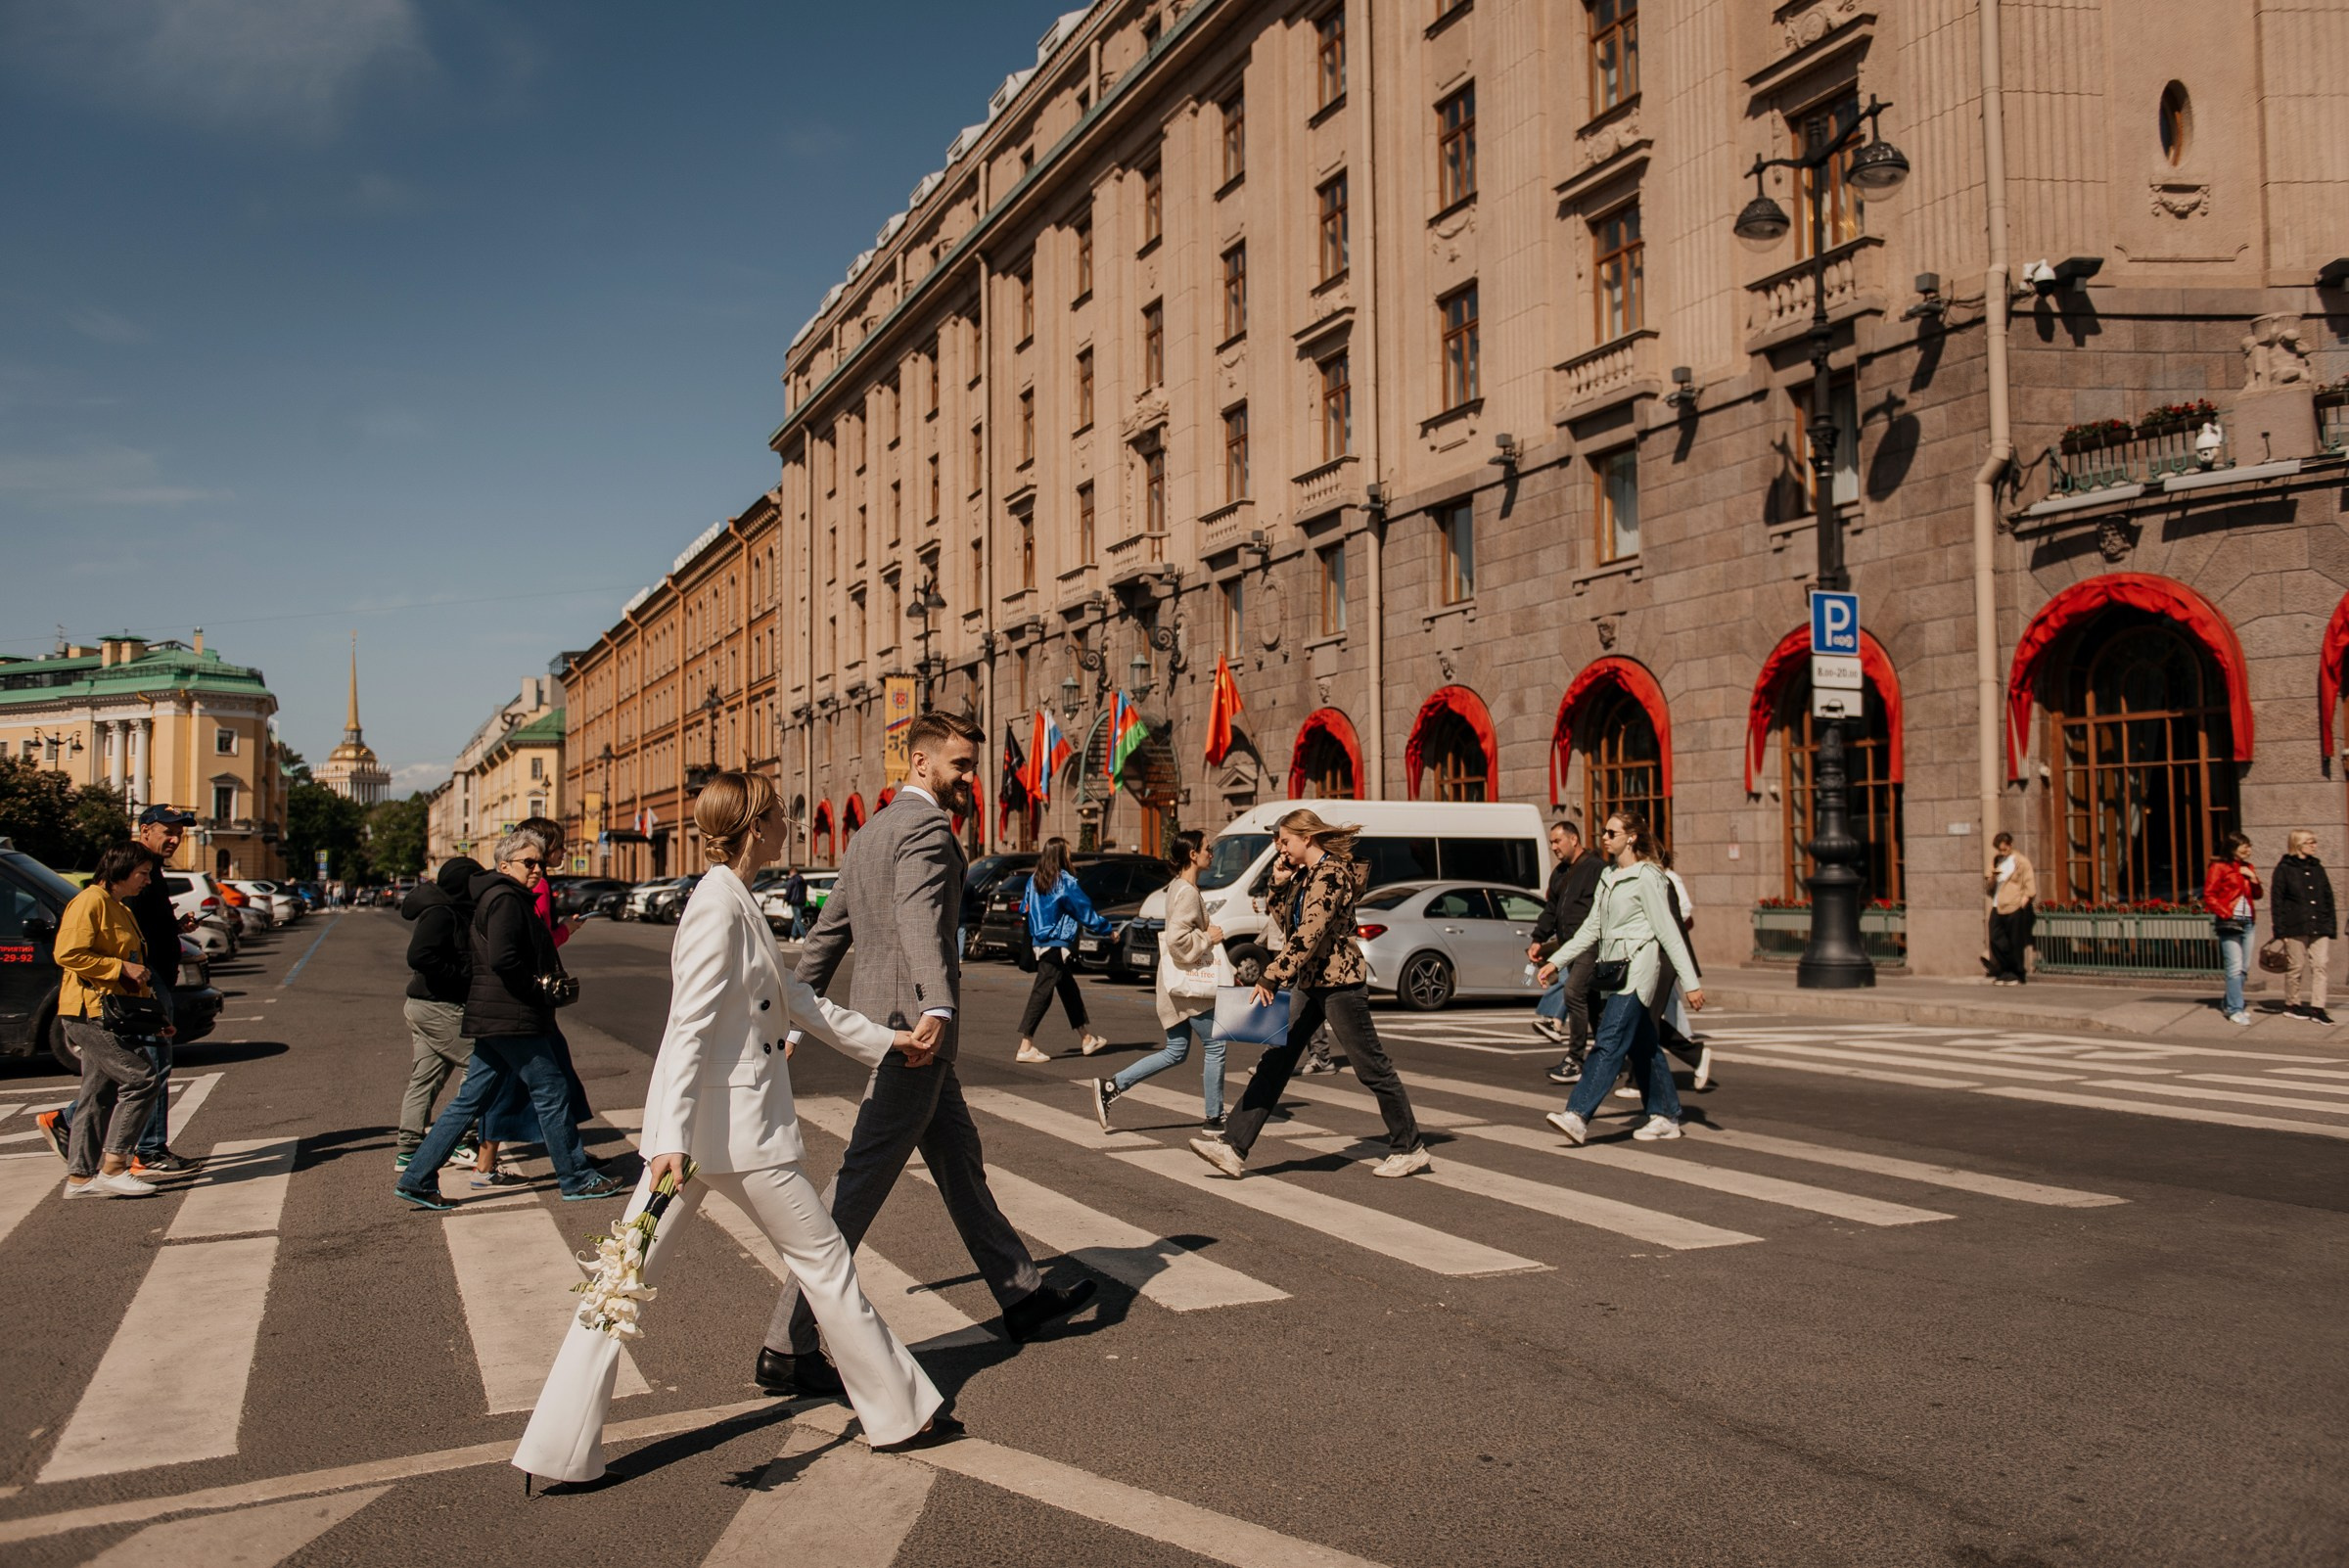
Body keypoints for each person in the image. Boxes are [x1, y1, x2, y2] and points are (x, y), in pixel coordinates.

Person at [513, 772, 947, 1485]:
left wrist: (887, 1041)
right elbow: (685, 1029)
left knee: (621, 1277)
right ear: (755, 828)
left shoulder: (731, 898)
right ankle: (900, 1413)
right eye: (779, 814)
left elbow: (795, 998)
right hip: (734, 1135)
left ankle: (556, 1448)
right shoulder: (718, 907)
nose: (789, 824)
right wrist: (668, 1142)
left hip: (706, 1134)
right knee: (825, 1268)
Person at [757, 712, 1094, 1395]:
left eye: (973, 765)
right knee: (856, 1186)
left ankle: (1022, 1295)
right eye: (960, 766)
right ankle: (786, 1344)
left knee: (960, 1164)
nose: (971, 779)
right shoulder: (926, 830)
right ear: (919, 764)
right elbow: (917, 921)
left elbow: (827, 934)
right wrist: (937, 1005)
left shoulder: (871, 831)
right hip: (914, 1037)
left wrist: (795, 1017)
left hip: (896, 1029)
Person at [1189, 808, 1432, 1180]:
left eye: (1285, 840)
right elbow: (1286, 922)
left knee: (1372, 1068)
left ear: (1307, 838)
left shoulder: (1332, 874)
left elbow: (1309, 934)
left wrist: (1271, 976)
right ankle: (1233, 1147)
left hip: (1340, 984)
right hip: (1310, 981)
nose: (1281, 848)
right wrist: (1279, 884)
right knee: (1276, 1061)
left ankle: (1410, 1146)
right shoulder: (1307, 876)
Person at [394, 830, 624, 1209]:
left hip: (495, 1013)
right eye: (528, 863)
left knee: (470, 1100)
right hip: (512, 1014)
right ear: (504, 866)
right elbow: (504, 960)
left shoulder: (502, 894)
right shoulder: (505, 899)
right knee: (551, 1091)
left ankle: (417, 1177)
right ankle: (576, 1177)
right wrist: (537, 990)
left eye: (539, 862)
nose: (537, 869)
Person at [1538, 810, 1706, 1145]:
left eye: (1611, 832)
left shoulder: (1649, 877)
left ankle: (1578, 1115)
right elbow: (1592, 928)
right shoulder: (1609, 876)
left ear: (1631, 837)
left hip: (1638, 971)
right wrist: (1556, 960)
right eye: (1603, 832)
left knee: (1609, 1040)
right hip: (1612, 970)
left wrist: (1691, 982)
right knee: (1644, 1045)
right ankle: (1667, 1114)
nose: (1604, 837)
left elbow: (1668, 931)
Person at [54, 843, 169, 1198]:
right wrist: (119, 967)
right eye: (142, 874)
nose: (147, 881)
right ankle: (115, 1165)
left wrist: (155, 1018)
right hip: (87, 1012)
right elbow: (68, 953)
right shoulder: (90, 902)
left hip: (108, 1012)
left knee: (96, 1095)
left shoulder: (119, 907)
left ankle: (79, 1178)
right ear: (121, 870)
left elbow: (136, 966)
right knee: (141, 1078)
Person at [1092, 830, 1226, 1131]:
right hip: (1190, 988)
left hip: (1175, 985)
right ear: (1192, 854)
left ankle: (1112, 1087)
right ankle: (1214, 1118)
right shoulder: (1188, 892)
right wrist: (1208, 937)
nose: (1211, 854)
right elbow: (1179, 941)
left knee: (1176, 1051)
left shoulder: (1177, 887)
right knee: (1216, 1046)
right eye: (1207, 849)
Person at [394, 857, 484, 1173]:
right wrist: (460, 975)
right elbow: (419, 955)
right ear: (463, 884)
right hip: (438, 1006)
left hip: (424, 1004)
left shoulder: (449, 909)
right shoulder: (442, 913)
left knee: (426, 1078)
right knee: (483, 1070)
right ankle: (461, 1140)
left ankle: (408, 1148)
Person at [1013, 837, 1113, 1065]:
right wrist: (1108, 930)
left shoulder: (1034, 880)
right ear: (1060, 855)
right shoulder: (1065, 882)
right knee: (1042, 994)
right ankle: (1025, 1045)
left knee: (1069, 991)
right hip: (1058, 943)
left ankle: (1086, 1038)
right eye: (1068, 852)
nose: (1070, 856)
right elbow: (1084, 911)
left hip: (1041, 943)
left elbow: (1023, 908)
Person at [1529, 820, 1604, 1085]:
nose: (1553, 847)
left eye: (1557, 841)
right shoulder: (1560, 873)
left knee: (1572, 992)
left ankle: (1576, 1060)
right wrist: (1539, 938)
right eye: (1551, 842)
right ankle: (1610, 1057)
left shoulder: (1596, 869)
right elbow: (1551, 908)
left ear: (1573, 839)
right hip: (1568, 947)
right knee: (1593, 1003)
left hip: (1590, 945)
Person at [2270, 830, 2335, 1025]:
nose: (2314, 845)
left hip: (2319, 926)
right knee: (2296, 967)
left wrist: (2329, 925)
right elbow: (2277, 901)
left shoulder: (2317, 867)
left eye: (2315, 841)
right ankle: (2292, 1004)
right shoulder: (2284, 868)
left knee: (2320, 966)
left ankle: (2318, 1008)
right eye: (2310, 842)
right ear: (2298, 845)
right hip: (2295, 926)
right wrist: (2280, 931)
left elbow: (2327, 897)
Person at [2203, 831, 2262, 1027]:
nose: (2248, 849)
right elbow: (2209, 895)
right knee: (2234, 968)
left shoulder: (2248, 867)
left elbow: (2258, 894)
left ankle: (2229, 1002)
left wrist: (2253, 878)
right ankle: (2236, 1008)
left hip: (2248, 921)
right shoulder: (2219, 867)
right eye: (2243, 846)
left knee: (2244, 968)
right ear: (2232, 848)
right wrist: (2226, 913)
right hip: (2230, 922)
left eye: (2249, 846)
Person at [1986, 832, 2037, 987]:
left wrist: (2026, 898)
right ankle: (2003, 971)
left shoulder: (2021, 862)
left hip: (2014, 904)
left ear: (2010, 845)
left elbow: (2029, 882)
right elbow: (1989, 884)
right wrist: (1992, 877)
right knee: (1996, 939)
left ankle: (2016, 973)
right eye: (1999, 850)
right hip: (1998, 904)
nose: (2002, 853)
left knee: (2015, 941)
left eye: (2004, 849)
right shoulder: (1996, 861)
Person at [782, 866, 809, 941]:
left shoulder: (792, 880)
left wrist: (785, 900)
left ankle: (804, 936)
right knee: (796, 918)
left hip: (794, 901)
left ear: (792, 872)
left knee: (797, 919)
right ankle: (793, 936)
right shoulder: (802, 880)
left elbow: (788, 892)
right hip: (802, 901)